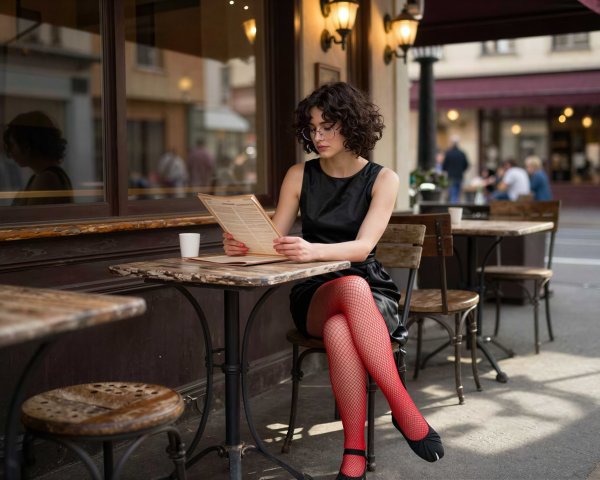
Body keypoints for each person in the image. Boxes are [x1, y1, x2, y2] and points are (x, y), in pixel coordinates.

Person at [223, 82, 443, 479]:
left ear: (352, 125)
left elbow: (362, 249)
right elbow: (273, 241)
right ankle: (402, 406)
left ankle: (353, 454)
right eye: (312, 128)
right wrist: (245, 245)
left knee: (342, 326)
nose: (318, 136)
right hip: (314, 293)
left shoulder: (384, 179)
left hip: (371, 293)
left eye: (328, 126)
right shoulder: (298, 175)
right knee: (346, 293)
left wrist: (312, 249)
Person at [3, 111, 73, 206]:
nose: (10, 152)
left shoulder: (47, 178)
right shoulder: (44, 176)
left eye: (12, 145)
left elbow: (29, 217)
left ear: (27, 145)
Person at [442, 135, 469, 203]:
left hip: (451, 176)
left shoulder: (448, 153)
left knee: (452, 193)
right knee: (456, 193)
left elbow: (444, 166)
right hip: (459, 176)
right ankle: (455, 207)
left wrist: (447, 170)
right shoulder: (462, 153)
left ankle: (453, 208)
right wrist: (461, 170)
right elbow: (466, 165)